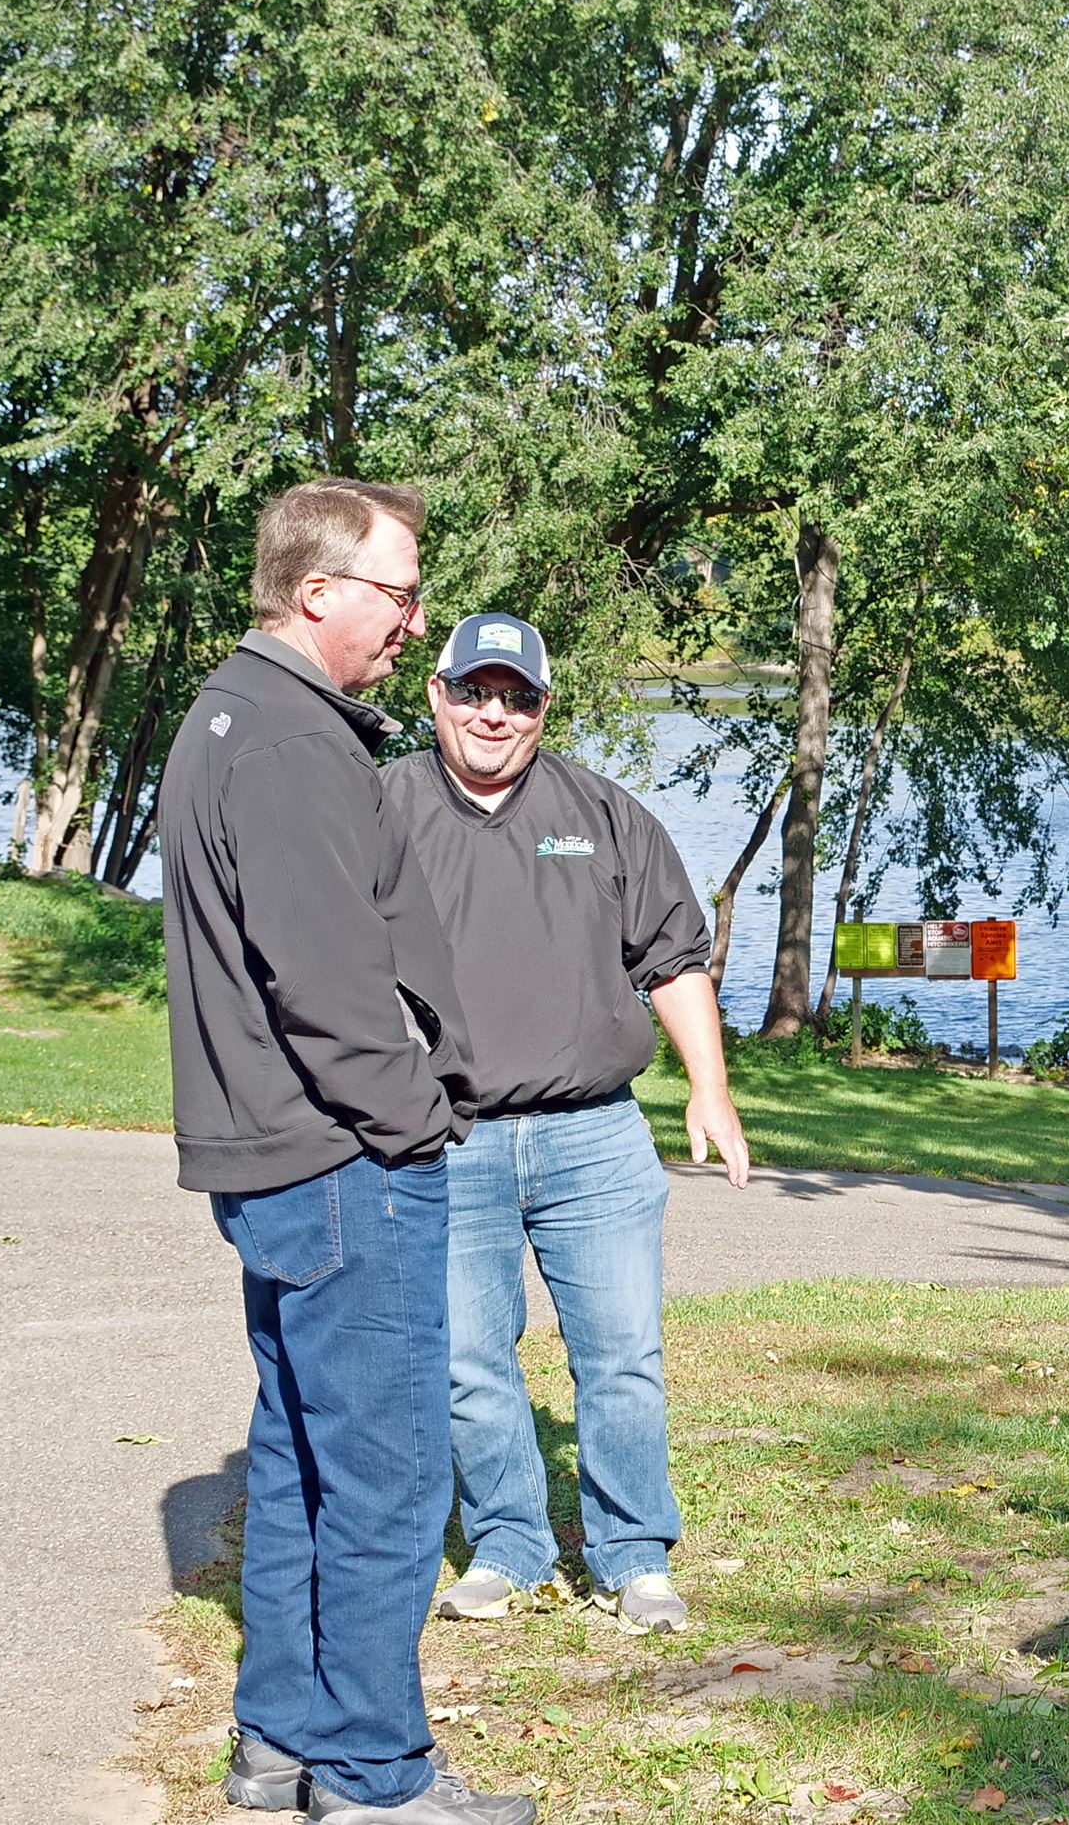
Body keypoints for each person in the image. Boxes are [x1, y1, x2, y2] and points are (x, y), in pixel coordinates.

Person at [158, 481, 532, 1824]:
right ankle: (376, 1777)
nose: (413, 620)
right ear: (318, 592)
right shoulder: (287, 737)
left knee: (306, 1462)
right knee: (384, 1473)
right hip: (338, 1162)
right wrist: (417, 1120)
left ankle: (282, 1746)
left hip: (283, 1155)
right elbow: (320, 979)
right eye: (400, 591)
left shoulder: (234, 715)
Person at [380, 612, 750, 1635]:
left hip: (596, 1138)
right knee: (468, 1359)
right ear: (437, 695)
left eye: (518, 697)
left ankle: (634, 1558)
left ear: (544, 708)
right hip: (447, 1139)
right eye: (475, 691)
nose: (494, 714)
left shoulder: (601, 810)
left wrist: (709, 1090)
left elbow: (672, 958)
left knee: (622, 1354)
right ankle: (507, 1545)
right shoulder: (381, 805)